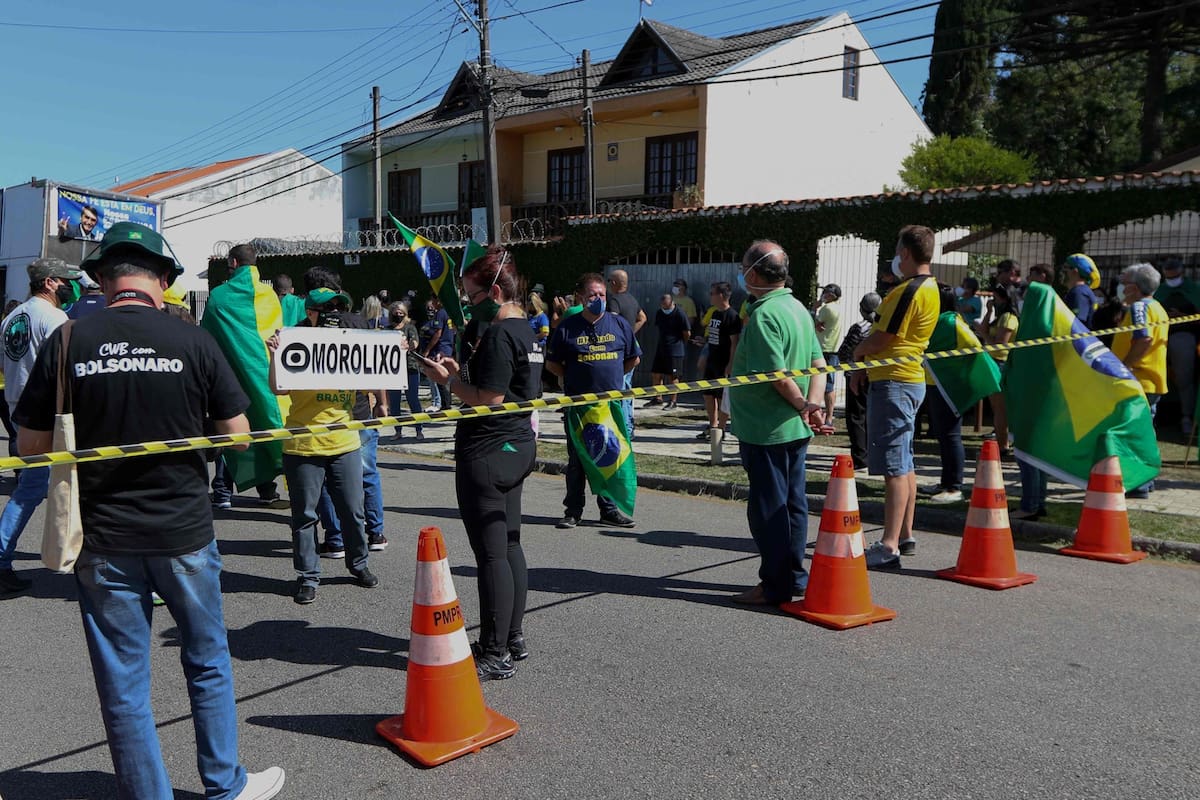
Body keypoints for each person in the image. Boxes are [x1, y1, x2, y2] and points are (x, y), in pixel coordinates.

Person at [14, 222, 284, 799]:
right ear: (163, 279)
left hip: (104, 539)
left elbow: (28, 447)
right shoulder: (193, 340)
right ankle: (224, 785)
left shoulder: (68, 341)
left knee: (124, 685)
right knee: (207, 661)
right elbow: (238, 438)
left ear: (104, 280)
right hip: (184, 533)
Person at [422, 247, 539, 680]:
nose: (468, 303)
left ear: (493, 291)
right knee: (509, 545)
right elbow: (503, 387)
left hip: (488, 450)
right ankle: (513, 636)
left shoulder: (498, 334)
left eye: (471, 297)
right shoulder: (525, 330)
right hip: (517, 445)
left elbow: (488, 400)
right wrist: (462, 374)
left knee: (491, 554)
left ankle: (495, 652)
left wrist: (448, 381)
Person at [727, 241, 826, 605]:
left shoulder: (766, 315)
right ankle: (794, 578)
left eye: (743, 266)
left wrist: (804, 404)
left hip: (767, 429)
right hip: (793, 427)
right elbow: (820, 365)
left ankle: (775, 585)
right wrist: (812, 405)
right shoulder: (797, 307)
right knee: (793, 504)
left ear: (753, 273)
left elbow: (777, 376)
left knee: (769, 509)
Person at [268, 287, 378, 604]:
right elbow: (278, 387)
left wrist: (390, 354)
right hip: (302, 444)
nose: (333, 314)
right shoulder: (293, 340)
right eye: (326, 309)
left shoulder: (351, 343)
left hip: (344, 442)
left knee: (353, 511)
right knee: (304, 516)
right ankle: (308, 575)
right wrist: (276, 355)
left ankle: (358, 564)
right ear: (311, 313)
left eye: (337, 308)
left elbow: (371, 380)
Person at [852, 225, 940, 569]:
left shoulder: (911, 290)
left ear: (905, 253)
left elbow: (884, 337)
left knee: (894, 467)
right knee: (904, 463)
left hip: (895, 382)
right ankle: (904, 534)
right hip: (900, 379)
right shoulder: (928, 287)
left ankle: (888, 546)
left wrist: (859, 353)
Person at [0, 257, 81, 594]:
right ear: (49, 282)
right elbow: (66, 371)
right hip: (48, 415)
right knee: (40, 489)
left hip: (18, 408)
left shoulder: (11, 319)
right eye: (66, 280)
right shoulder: (55, 318)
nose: (71, 286)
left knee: (35, 488)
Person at [300, 268, 389, 557]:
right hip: (360, 412)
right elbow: (376, 366)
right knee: (367, 474)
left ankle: (336, 538)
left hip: (326, 416)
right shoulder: (358, 322)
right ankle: (374, 533)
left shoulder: (302, 330)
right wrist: (381, 400)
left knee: (329, 478)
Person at [546, 272, 641, 529]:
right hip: (579, 407)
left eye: (601, 294)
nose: (598, 299)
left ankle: (609, 510)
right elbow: (552, 364)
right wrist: (573, 378)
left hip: (610, 407)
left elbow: (634, 358)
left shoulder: (619, 324)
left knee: (610, 456)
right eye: (592, 295)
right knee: (578, 460)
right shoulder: (567, 327)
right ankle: (573, 510)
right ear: (581, 297)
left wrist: (614, 379)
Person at [203, 244, 286, 509]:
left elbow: (208, 337)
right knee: (268, 428)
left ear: (234, 263)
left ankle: (223, 493)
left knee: (230, 433)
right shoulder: (270, 295)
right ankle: (268, 490)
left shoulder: (218, 296)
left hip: (231, 378)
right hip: (266, 378)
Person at [919, 284, 994, 504]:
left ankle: (954, 487)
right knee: (943, 435)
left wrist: (956, 371)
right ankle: (945, 482)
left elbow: (973, 345)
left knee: (951, 436)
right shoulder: (939, 320)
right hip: (934, 384)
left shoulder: (951, 322)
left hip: (948, 387)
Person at [1112, 263, 1169, 499]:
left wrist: (1125, 366)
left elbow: (1143, 339)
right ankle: (1146, 480)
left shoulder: (1138, 308)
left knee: (1133, 433)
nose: (1121, 288)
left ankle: (1138, 484)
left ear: (1134, 288)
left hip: (1138, 380)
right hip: (1149, 380)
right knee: (1144, 431)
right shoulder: (1157, 307)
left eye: (1124, 284)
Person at [1154, 258, 1199, 435]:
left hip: (1183, 335)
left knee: (1184, 378)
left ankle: (1186, 417)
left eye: (1175, 276)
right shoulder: (1160, 290)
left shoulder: (1193, 290)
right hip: (1158, 337)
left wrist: (1182, 315)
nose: (1172, 279)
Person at [838, 293, 882, 470]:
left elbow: (844, 351)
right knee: (873, 415)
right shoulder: (882, 328)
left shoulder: (859, 327)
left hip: (856, 375)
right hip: (878, 375)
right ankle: (873, 454)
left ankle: (860, 457)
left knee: (856, 416)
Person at [695, 281, 741, 440]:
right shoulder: (714, 313)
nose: (710, 296)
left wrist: (731, 363)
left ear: (721, 295)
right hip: (711, 359)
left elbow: (734, 342)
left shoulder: (732, 316)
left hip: (723, 362)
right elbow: (713, 336)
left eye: (712, 293)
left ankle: (721, 430)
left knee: (722, 397)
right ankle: (712, 426)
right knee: (708, 394)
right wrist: (704, 341)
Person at [607, 269, 646, 436]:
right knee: (628, 389)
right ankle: (629, 426)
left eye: (609, 281)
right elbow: (643, 318)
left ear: (614, 283)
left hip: (620, 350)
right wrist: (630, 333)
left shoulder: (614, 300)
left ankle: (622, 428)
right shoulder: (632, 299)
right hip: (632, 347)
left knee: (619, 388)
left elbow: (611, 322)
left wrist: (621, 337)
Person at [985, 285, 1019, 454]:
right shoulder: (999, 317)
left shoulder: (1008, 318)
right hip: (992, 361)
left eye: (995, 298)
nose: (993, 301)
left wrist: (983, 334)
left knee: (1000, 408)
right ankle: (1002, 442)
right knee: (996, 407)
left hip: (1001, 362)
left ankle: (1003, 444)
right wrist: (988, 311)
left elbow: (999, 344)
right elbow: (984, 328)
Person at [386, 301, 424, 441]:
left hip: (410, 368)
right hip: (393, 369)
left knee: (413, 399)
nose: (398, 315)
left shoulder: (410, 328)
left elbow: (415, 343)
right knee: (394, 402)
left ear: (405, 314)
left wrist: (411, 344)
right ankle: (398, 430)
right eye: (396, 313)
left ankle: (419, 429)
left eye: (401, 313)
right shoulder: (387, 329)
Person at [646, 292, 690, 409]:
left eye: (666, 306)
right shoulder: (660, 313)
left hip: (675, 349)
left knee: (673, 376)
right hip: (661, 348)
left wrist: (679, 342)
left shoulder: (679, 313)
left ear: (671, 303)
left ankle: (673, 401)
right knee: (656, 373)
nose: (664, 308)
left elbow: (687, 333)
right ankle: (657, 397)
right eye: (662, 305)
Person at [814, 283, 843, 425]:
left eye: (826, 293)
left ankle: (818, 414)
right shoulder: (838, 308)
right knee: (830, 385)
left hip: (823, 349)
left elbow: (815, 324)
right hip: (834, 349)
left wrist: (814, 309)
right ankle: (829, 417)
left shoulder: (826, 308)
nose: (823, 295)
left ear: (831, 295)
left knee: (819, 383)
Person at [420, 296, 455, 412]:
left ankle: (445, 405)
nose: (433, 304)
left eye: (434, 301)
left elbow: (438, 333)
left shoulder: (440, 313)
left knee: (440, 378)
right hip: (447, 348)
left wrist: (427, 350)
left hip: (440, 350)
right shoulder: (448, 312)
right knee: (444, 377)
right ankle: (446, 404)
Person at [1062, 253, 1100, 328]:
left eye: (1065, 268)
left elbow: (1077, 324)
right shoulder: (1082, 290)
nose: (1062, 272)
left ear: (1075, 271)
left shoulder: (1078, 293)